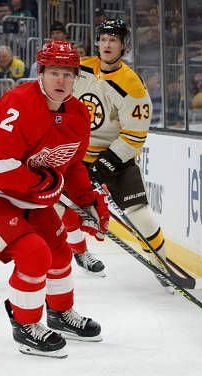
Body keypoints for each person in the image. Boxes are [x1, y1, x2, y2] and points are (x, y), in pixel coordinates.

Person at [0, 40, 108, 358]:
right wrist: (43, 183)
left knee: (59, 253)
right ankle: (26, 325)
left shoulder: (78, 115)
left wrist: (87, 202)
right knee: (34, 253)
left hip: (24, 195)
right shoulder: (19, 104)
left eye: (68, 74)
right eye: (54, 72)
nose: (61, 81)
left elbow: (71, 166)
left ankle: (60, 314)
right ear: (40, 73)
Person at [65, 19, 170, 291]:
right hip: (76, 155)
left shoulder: (132, 85)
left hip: (115, 157)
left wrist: (104, 166)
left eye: (114, 39)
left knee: (140, 214)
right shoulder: (81, 67)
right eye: (103, 39)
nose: (107, 44)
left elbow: (135, 135)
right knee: (60, 206)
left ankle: (162, 264)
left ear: (124, 45)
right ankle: (80, 252)